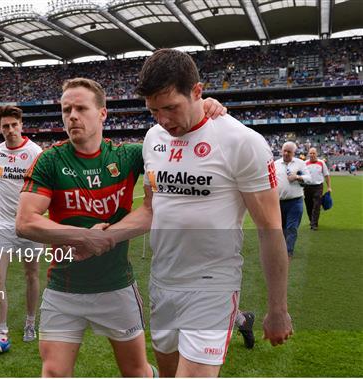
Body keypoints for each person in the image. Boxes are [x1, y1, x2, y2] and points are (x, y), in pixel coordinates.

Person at [77, 49, 292, 377]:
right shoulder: (153, 139)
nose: (163, 120)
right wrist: (106, 237)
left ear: (197, 91)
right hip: (163, 282)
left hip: (212, 284)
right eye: (154, 111)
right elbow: (152, 209)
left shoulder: (241, 142)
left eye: (171, 108)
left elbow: (270, 228)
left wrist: (278, 308)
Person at [15, 77, 226, 377]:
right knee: (54, 373)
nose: (72, 116)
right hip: (64, 288)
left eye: (80, 108)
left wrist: (201, 108)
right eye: (66, 110)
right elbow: (25, 222)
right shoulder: (49, 161)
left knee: (136, 373)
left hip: (116, 287)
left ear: (102, 114)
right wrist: (84, 238)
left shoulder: (128, 156)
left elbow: (174, 145)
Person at [0, 106, 43, 361]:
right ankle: (1, 334)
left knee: (31, 274)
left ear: (21, 125)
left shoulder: (35, 152)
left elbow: (44, 186)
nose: (10, 130)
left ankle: (29, 320)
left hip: (29, 224)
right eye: (5, 126)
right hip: (3, 224)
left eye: (14, 125)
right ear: (0, 128)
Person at [275, 142, 311, 259]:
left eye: (289, 151)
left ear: (294, 152)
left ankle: (288, 252)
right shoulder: (275, 164)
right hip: (279, 202)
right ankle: (282, 248)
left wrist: (297, 177)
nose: (286, 153)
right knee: (281, 228)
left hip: (295, 202)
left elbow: (309, 178)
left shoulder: (300, 163)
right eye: (284, 150)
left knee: (292, 227)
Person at [304, 147, 332, 230]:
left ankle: (314, 224)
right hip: (307, 187)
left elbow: (327, 176)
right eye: (311, 153)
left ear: (316, 154)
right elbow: (302, 176)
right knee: (309, 205)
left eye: (314, 153)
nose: (312, 155)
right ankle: (311, 220)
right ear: (308, 154)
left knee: (317, 205)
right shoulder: (304, 163)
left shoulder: (321, 163)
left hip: (318, 187)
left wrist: (329, 187)